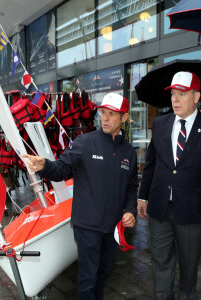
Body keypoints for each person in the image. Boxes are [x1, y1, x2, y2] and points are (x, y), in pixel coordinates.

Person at [23, 92, 138, 300]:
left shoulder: (129, 152)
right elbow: (61, 169)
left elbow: (130, 187)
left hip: (113, 227)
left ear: (123, 117)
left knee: (104, 275)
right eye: (103, 112)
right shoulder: (84, 143)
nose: (105, 118)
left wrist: (130, 210)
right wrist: (44, 166)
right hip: (87, 226)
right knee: (87, 279)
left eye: (111, 114)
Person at [138, 71, 201, 300]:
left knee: (188, 269)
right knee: (161, 266)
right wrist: (143, 197)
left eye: (182, 94)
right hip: (159, 209)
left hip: (193, 212)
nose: (175, 99)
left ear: (196, 96)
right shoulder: (160, 123)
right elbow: (151, 164)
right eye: (173, 94)